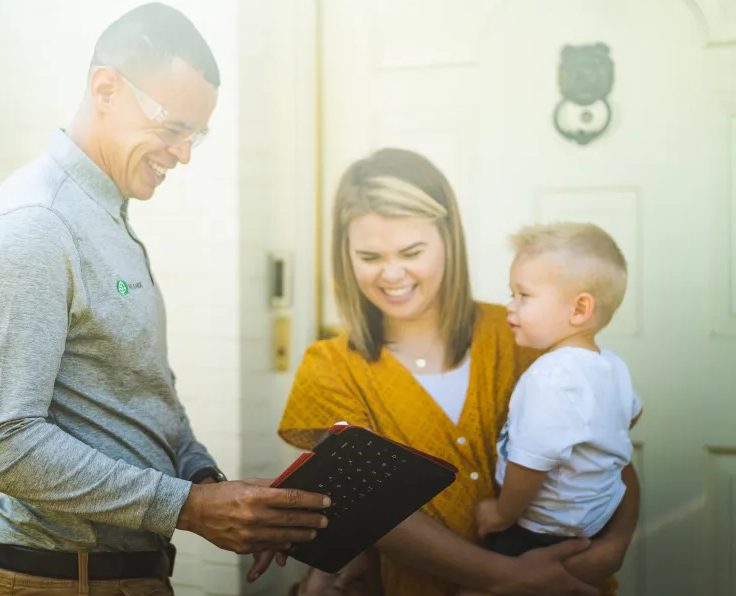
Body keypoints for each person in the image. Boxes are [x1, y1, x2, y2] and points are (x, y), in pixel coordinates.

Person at [0, 4, 328, 595]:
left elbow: (145, 403)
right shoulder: (34, 226)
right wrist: (190, 508)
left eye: (195, 134)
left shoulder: (106, 218)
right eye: (173, 126)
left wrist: (211, 485)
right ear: (105, 88)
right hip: (61, 581)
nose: (184, 154)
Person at [258, 148, 639, 596]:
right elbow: (368, 506)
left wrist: (613, 546)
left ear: (448, 241)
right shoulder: (331, 367)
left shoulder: (523, 335)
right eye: (369, 256)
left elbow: (607, 453)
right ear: (346, 256)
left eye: (412, 251)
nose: (392, 273)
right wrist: (507, 577)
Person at [473, 222, 643, 560]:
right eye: (511, 294)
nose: (510, 306)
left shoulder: (549, 377)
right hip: (596, 517)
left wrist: (501, 513)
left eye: (524, 296)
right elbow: (633, 415)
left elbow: (530, 465)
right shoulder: (610, 365)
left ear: (579, 309)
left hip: (540, 529)